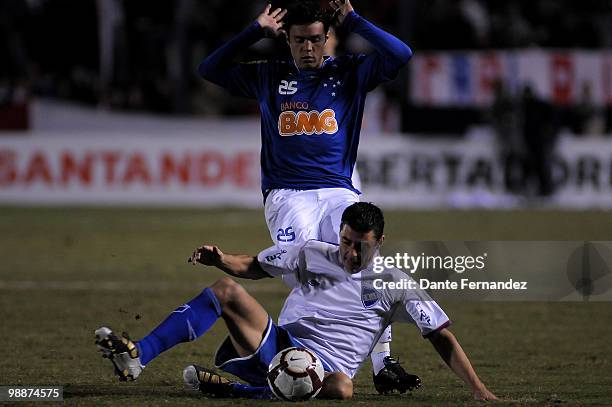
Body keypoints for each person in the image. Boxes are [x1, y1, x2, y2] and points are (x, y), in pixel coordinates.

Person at [197, 0, 413, 390]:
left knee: (360, 262)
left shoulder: (349, 72)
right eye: (300, 40)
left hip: (336, 189)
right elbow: (209, 69)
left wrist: (355, 21)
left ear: (328, 37)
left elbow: (401, 54)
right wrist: (254, 31)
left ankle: (383, 364)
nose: (309, 47)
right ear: (287, 40)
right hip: (288, 194)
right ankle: (279, 359)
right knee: (302, 268)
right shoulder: (268, 75)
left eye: (316, 39)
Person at [95, 202, 498, 401]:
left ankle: (235, 393)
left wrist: (478, 388)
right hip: (276, 345)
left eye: (361, 247)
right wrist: (221, 259)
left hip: (327, 373)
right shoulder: (310, 252)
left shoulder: (395, 282)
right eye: (346, 242)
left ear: (380, 243)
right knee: (225, 290)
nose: (350, 254)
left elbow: (440, 334)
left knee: (343, 389)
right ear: (339, 233)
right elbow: (256, 265)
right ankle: (139, 355)